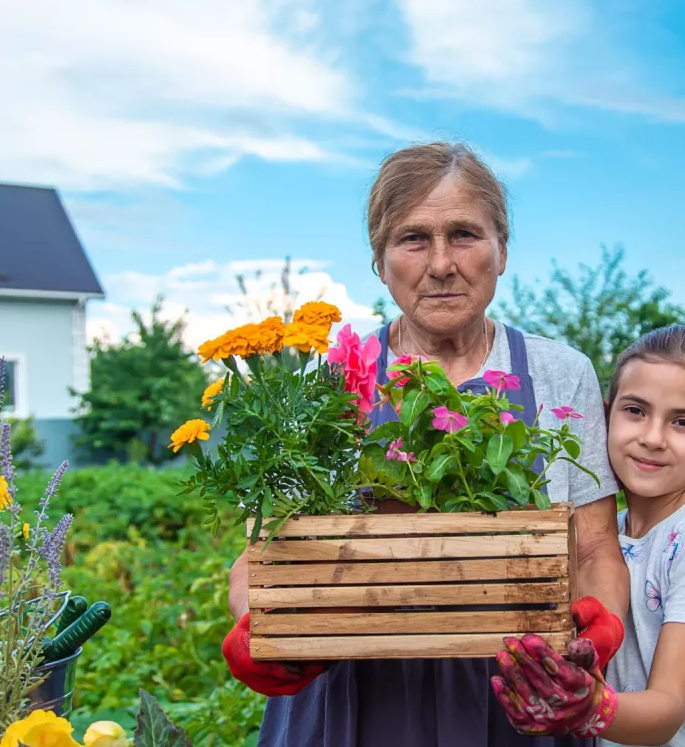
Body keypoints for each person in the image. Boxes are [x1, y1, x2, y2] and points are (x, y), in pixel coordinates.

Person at [219, 141, 632, 746]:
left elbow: (596, 548)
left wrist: (594, 638)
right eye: (413, 239)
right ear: (379, 262)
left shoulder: (558, 372)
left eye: (464, 234)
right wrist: (262, 631)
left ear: (502, 250)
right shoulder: (333, 381)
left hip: (513, 695)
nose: (441, 263)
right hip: (356, 697)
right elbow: (266, 552)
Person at [490, 326, 685, 746]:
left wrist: (590, 707)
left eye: (682, 422)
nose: (652, 438)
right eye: (635, 411)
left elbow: (667, 708)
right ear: (603, 418)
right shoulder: (606, 536)